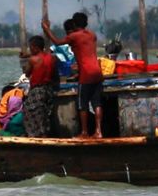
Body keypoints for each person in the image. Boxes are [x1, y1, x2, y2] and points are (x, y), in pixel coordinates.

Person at [44, 11, 103, 139]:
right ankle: (99, 131)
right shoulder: (92, 35)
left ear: (75, 24)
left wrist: (46, 29)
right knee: (97, 103)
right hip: (98, 72)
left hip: (86, 74)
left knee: (82, 105)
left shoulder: (74, 36)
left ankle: (84, 132)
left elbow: (57, 42)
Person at [22, 35, 59, 138]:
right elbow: (55, 75)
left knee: (31, 111)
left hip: (37, 90)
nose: (30, 49)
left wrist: (24, 61)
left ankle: (36, 135)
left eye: (30, 47)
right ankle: (45, 133)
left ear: (34, 47)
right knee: (45, 113)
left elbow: (27, 73)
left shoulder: (33, 60)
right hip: (49, 89)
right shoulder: (52, 58)